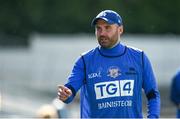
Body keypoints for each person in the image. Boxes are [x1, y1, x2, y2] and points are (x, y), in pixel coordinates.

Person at [58, 10, 160, 118]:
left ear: (120, 29)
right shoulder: (85, 61)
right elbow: (70, 90)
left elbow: (153, 95)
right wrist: (66, 95)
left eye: (107, 28)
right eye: (98, 28)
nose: (102, 33)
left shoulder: (139, 58)